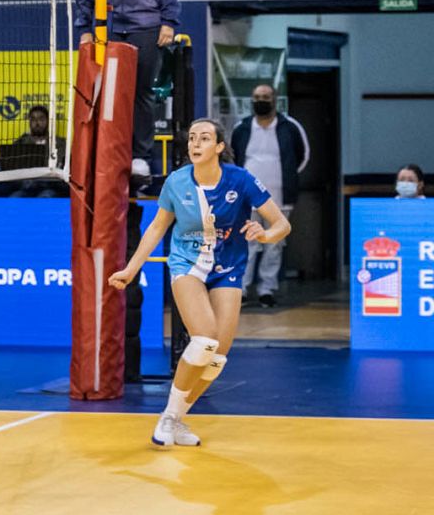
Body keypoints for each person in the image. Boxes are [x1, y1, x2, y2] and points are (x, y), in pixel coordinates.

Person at [109, 119, 291, 447]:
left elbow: (281, 224)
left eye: (204, 138)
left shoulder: (241, 179)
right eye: (192, 138)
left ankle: (177, 418)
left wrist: (264, 234)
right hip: (188, 264)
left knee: (218, 356)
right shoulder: (177, 183)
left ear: (219, 147)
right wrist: (132, 268)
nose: (195, 144)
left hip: (228, 268)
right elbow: (155, 229)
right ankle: (167, 417)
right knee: (204, 339)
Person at [75, 0, 179, 180]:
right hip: (107, 30)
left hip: (145, 26)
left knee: (141, 93)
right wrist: (84, 29)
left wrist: (168, 21)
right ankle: (109, 152)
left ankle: (140, 156)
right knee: (107, 94)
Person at [230, 84, 309, 308]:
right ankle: (241, 289)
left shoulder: (290, 127)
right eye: (257, 97)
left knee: (274, 244)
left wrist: (288, 178)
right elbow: (233, 160)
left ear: (274, 100)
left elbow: (302, 157)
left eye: (265, 97)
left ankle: (267, 289)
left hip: (280, 198)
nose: (261, 100)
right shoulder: (241, 128)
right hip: (247, 200)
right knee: (247, 244)